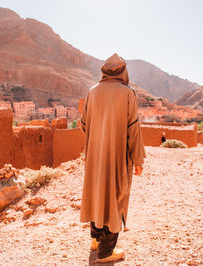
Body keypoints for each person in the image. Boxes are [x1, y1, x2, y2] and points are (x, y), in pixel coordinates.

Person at [80, 53, 146, 263]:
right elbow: (133, 129)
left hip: (94, 157)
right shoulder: (128, 93)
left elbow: (83, 124)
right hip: (117, 157)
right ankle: (106, 253)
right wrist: (137, 159)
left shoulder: (92, 91)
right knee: (116, 198)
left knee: (97, 195)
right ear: (123, 71)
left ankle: (95, 241)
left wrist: (98, 138)